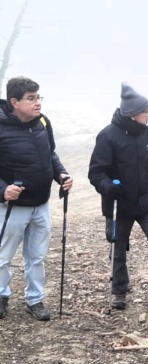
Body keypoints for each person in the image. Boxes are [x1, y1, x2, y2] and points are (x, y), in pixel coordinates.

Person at [88, 82, 148, 313]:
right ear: (133, 114)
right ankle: (119, 291)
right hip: (118, 204)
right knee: (118, 247)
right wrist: (107, 186)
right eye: (146, 111)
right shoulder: (107, 136)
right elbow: (96, 172)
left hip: (147, 203)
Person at [0, 76, 73, 321]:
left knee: (37, 257)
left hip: (41, 203)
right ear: (14, 102)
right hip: (12, 206)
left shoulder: (42, 121)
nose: (38, 102)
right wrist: (3, 190)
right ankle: (1, 295)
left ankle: (35, 299)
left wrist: (61, 174)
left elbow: (50, 154)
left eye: (38, 97)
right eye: (31, 98)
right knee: (3, 256)